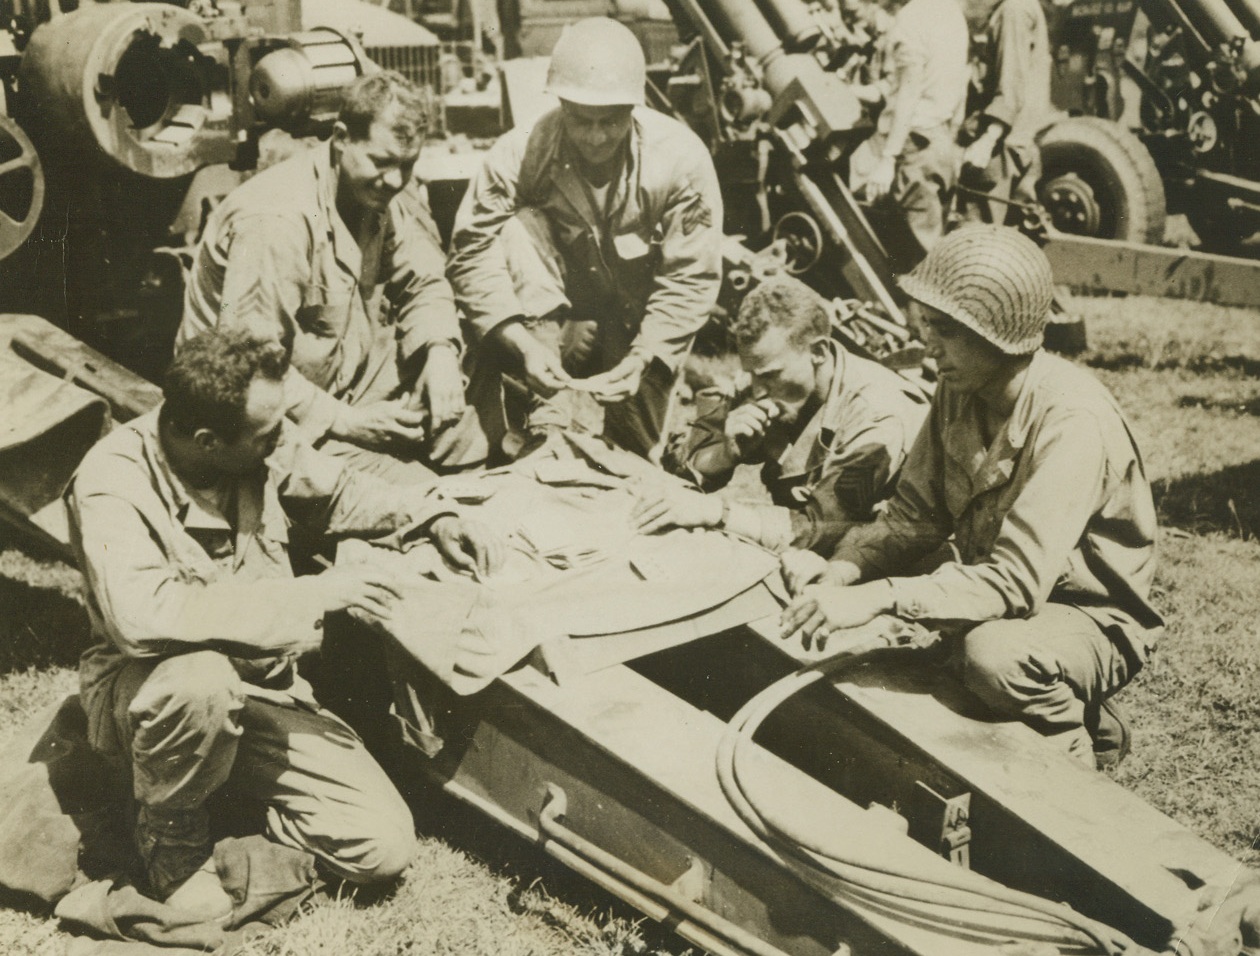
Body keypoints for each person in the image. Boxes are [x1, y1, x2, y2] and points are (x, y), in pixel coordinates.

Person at [66, 329, 503, 919]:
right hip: (149, 697)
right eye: (268, 433)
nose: (283, 442)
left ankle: (217, 789)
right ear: (207, 441)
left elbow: (339, 492)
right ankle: (174, 847)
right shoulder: (111, 481)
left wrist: (432, 515)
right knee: (200, 681)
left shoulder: (256, 443)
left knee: (382, 849)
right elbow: (143, 618)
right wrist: (316, 593)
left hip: (262, 690)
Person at [780, 225, 1163, 770]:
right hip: (1001, 589)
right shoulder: (959, 390)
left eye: (944, 331)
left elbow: (1017, 581)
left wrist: (881, 595)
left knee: (992, 658)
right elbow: (913, 516)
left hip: (1088, 613)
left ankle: (1075, 753)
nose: (928, 345)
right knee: (923, 645)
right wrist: (843, 570)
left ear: (997, 334)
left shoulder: (1072, 421)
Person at [179, 70, 486, 484]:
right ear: (341, 138)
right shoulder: (276, 221)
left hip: (346, 378)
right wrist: (347, 421)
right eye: (381, 161)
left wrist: (439, 352)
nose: (395, 180)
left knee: (461, 425)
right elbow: (251, 369)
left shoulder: (381, 190)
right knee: (414, 495)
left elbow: (424, 281)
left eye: (407, 165)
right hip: (264, 415)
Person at [447, 16, 723, 460]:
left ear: (634, 108)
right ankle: (541, 414)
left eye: (611, 121)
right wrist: (520, 343)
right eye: (580, 120)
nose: (596, 137)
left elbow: (690, 277)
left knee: (638, 458)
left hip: (640, 316)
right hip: (550, 313)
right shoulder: (521, 151)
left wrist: (645, 357)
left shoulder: (680, 160)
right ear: (559, 103)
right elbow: (471, 250)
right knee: (515, 229)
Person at [635, 277, 928, 554]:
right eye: (751, 375)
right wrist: (723, 455)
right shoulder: (764, 379)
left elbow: (820, 530)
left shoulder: (876, 415)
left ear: (819, 352)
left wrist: (717, 511)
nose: (757, 391)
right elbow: (674, 466)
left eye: (770, 376)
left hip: (895, 562)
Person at [849, 0, 971, 274]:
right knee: (928, 249)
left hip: (912, 146)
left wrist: (888, 158)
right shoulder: (952, 15)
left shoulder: (913, 18)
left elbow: (909, 91)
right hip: (939, 142)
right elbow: (957, 83)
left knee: (916, 266)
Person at [957, 0, 1055, 224]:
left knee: (975, 239)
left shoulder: (1014, 10)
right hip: (1017, 140)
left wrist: (987, 140)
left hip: (1001, 146)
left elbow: (1010, 82)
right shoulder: (1019, 7)